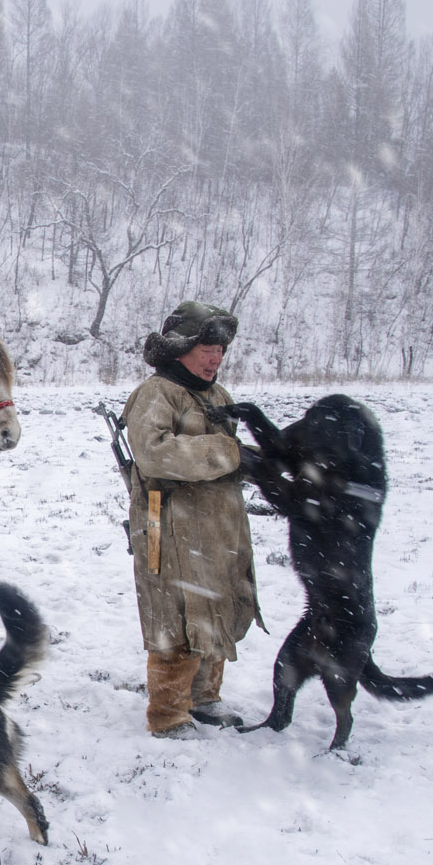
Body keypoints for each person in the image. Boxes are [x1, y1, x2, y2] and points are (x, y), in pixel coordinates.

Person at [121, 301, 263, 738]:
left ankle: (204, 697)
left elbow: (229, 456)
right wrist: (231, 454)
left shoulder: (217, 395)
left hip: (217, 526)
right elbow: (154, 453)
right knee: (174, 614)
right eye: (206, 349)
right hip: (166, 524)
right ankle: (168, 714)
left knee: (215, 603)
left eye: (220, 350)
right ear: (181, 349)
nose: (215, 358)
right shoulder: (156, 394)